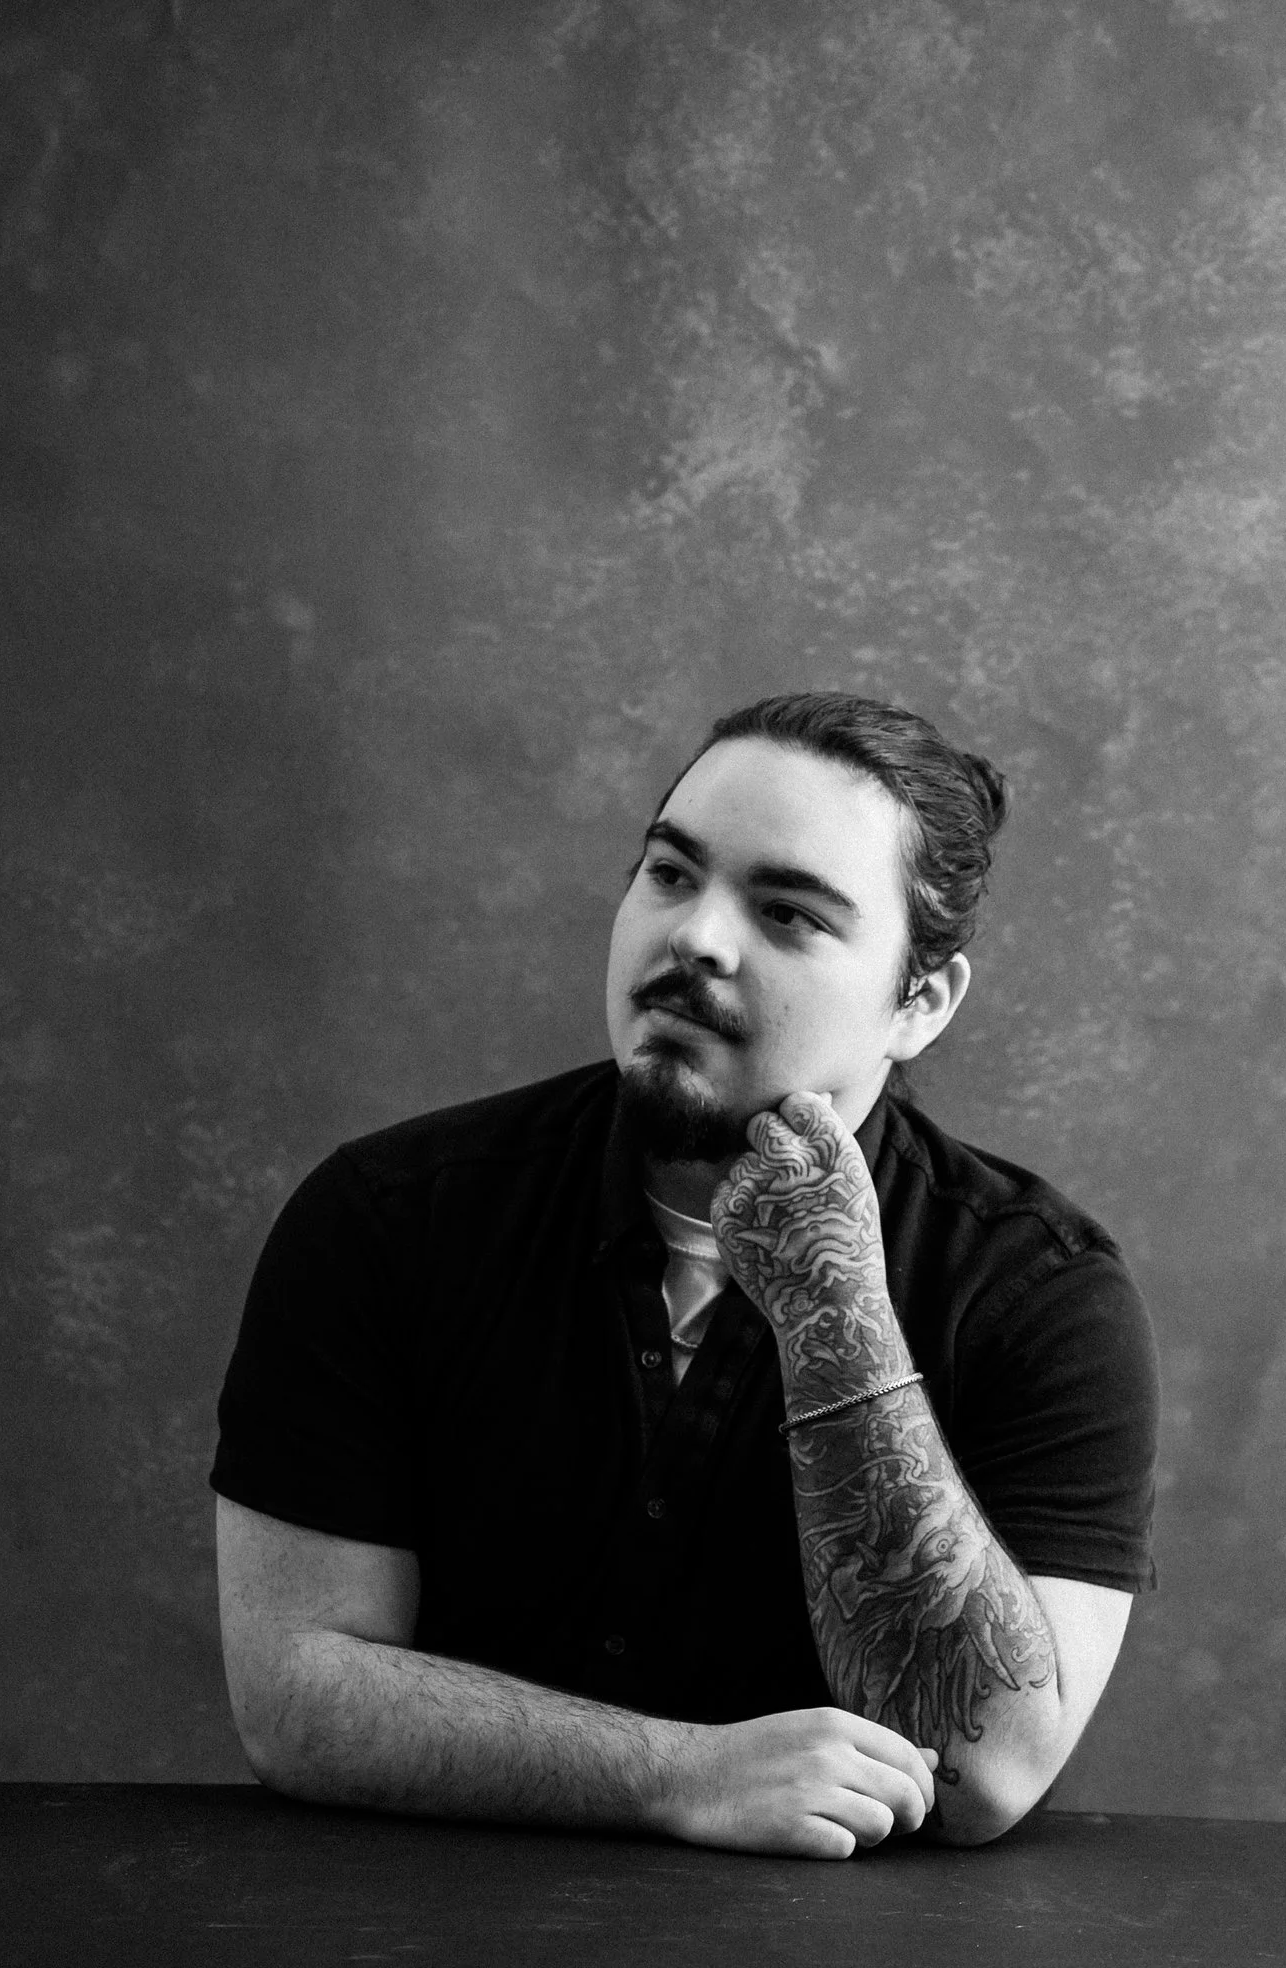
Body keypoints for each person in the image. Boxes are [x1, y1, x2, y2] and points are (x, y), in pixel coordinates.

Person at [211, 690, 1158, 1857]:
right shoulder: (388, 1218)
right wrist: (682, 1774)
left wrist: (835, 1306)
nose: (696, 937)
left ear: (918, 1001)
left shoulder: (1042, 1296)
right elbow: (296, 1700)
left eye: (788, 912)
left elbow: (984, 1771)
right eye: (669, 872)